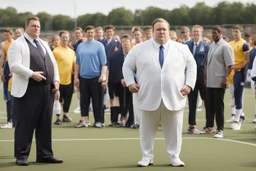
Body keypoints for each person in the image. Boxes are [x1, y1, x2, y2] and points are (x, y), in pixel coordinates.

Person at [122, 18, 197, 167]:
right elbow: (127, 66)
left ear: (169, 31)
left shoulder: (181, 48)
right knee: (146, 130)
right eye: (158, 29)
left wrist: (189, 85)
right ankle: (146, 157)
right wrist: (130, 82)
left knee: (174, 129)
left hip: (175, 95)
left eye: (164, 29)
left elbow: (192, 66)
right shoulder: (139, 49)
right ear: (152, 31)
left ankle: (174, 156)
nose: (161, 32)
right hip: (147, 95)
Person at [8, 16, 62, 166]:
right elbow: (14, 66)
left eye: (38, 26)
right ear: (26, 27)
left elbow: (54, 64)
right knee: (24, 124)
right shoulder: (17, 45)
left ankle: (45, 154)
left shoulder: (44, 44)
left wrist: (56, 80)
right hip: (27, 91)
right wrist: (32, 74)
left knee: (45, 124)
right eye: (33, 26)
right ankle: (21, 156)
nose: (36, 28)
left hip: (47, 91)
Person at [74, 25, 107, 128]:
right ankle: (84, 120)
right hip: (83, 78)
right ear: (85, 33)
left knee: (97, 101)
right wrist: (76, 77)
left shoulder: (99, 46)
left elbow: (104, 64)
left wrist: (102, 75)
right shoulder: (80, 46)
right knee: (84, 101)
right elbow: (77, 63)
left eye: (92, 32)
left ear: (94, 33)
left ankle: (98, 121)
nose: (90, 34)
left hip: (96, 78)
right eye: (88, 32)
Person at [204, 26, 234, 138]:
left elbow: (230, 65)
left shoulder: (225, 46)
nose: (213, 35)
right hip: (210, 81)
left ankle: (220, 129)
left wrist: (226, 79)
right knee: (210, 105)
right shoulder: (212, 45)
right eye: (212, 33)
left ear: (220, 33)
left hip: (219, 81)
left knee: (218, 106)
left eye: (215, 33)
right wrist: (206, 79)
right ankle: (209, 127)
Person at [185, 25, 209, 134]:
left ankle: (209, 125)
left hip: (202, 76)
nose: (196, 33)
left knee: (207, 101)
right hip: (190, 77)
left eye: (198, 31)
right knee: (192, 102)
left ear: (201, 33)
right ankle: (192, 125)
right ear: (191, 33)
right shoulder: (186, 45)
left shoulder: (206, 46)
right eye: (194, 31)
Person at [228, 25, 250, 130]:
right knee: (232, 97)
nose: (235, 33)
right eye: (233, 32)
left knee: (238, 96)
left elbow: (247, 60)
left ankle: (237, 120)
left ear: (240, 32)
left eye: (237, 31)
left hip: (240, 73)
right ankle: (240, 114)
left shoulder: (244, 44)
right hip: (230, 73)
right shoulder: (230, 44)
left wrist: (238, 67)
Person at [52, 31, 75, 125]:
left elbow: (74, 66)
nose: (65, 39)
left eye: (66, 37)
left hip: (69, 80)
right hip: (58, 80)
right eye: (63, 37)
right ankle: (58, 117)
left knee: (68, 99)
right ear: (60, 38)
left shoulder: (72, 51)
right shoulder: (56, 51)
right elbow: (52, 66)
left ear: (69, 38)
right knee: (58, 99)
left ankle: (65, 115)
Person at [0, 28, 14, 129]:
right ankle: (10, 120)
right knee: (7, 96)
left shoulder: (16, 44)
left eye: (8, 35)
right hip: (7, 67)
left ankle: (14, 119)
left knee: (15, 94)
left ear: (12, 35)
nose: (6, 36)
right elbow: (3, 57)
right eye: (5, 35)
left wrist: (14, 71)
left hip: (14, 67)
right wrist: (0, 70)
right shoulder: (3, 44)